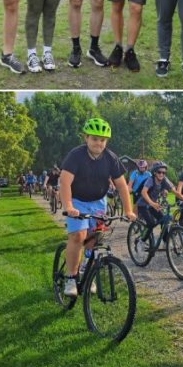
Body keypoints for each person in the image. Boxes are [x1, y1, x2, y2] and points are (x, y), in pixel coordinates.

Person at [59, 117, 135, 297]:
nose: (98, 143)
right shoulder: (76, 155)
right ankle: (70, 278)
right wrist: (68, 205)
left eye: (102, 140)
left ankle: (87, 271)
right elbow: (64, 182)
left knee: (95, 239)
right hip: (77, 200)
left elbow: (122, 185)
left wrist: (128, 210)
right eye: (94, 138)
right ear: (86, 138)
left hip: (98, 202)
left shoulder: (110, 157)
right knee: (78, 236)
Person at [135, 161, 173, 231]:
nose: (161, 174)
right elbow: (143, 192)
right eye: (159, 172)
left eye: (164, 173)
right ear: (154, 172)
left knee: (163, 220)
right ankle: (141, 241)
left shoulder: (163, 180)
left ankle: (165, 240)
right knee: (151, 224)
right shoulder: (150, 180)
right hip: (143, 205)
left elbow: (174, 190)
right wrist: (152, 203)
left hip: (152, 205)